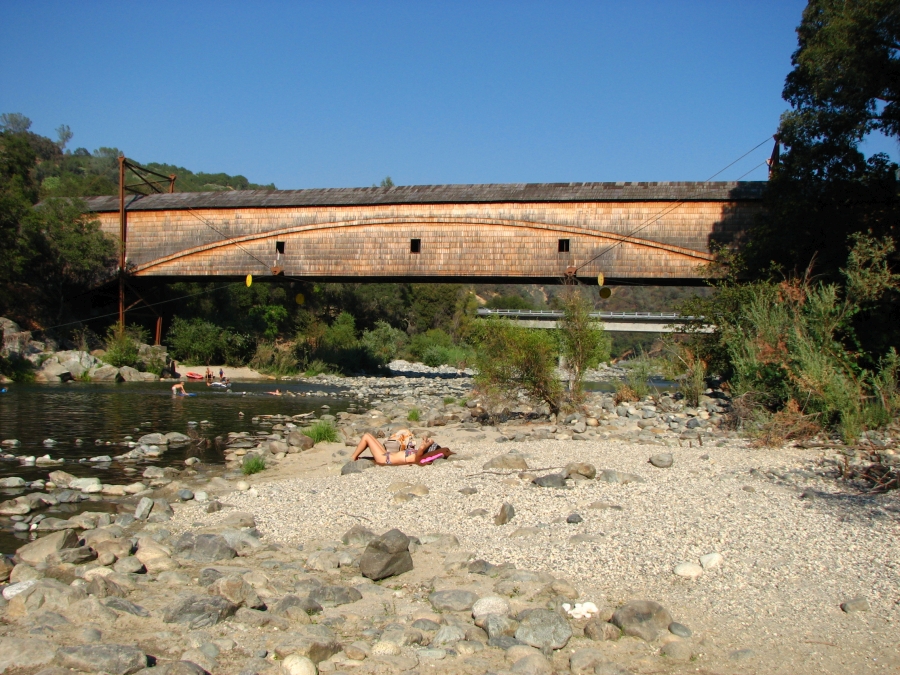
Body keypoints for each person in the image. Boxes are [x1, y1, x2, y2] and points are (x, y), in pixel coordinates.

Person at [352, 429, 451, 466]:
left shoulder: (418, 456)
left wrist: (428, 443)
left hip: (384, 459)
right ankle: (355, 458)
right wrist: (428, 441)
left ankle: (353, 458)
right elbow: (423, 444)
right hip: (386, 455)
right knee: (369, 435)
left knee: (366, 437)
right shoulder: (417, 454)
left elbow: (422, 448)